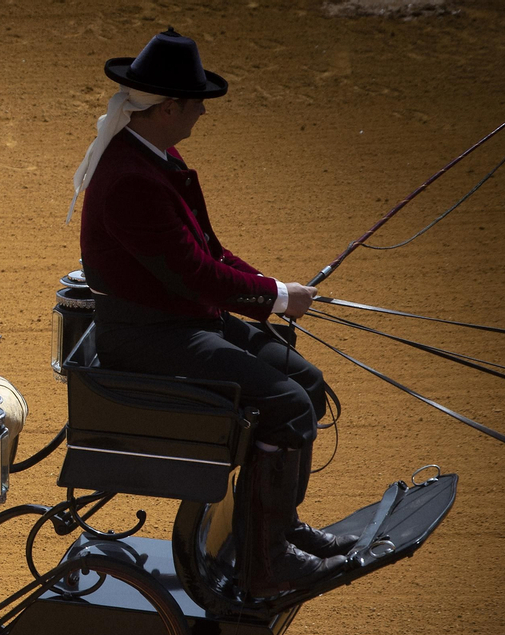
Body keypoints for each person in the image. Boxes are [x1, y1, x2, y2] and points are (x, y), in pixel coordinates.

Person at [69, 28, 356, 597]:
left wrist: (273, 288)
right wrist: (275, 299)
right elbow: (195, 274)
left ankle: (276, 530)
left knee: (306, 381)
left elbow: (209, 253)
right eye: (196, 102)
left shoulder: (153, 156)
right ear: (168, 108)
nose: (202, 111)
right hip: (150, 336)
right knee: (287, 404)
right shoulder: (131, 179)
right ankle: (267, 561)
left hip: (183, 320)